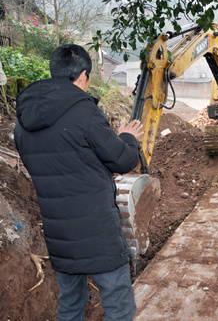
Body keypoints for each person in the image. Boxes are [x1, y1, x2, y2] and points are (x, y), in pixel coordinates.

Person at [14, 44, 143, 321]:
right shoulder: (83, 111)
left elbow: (50, 165)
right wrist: (127, 137)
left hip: (60, 237)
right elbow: (122, 161)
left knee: (71, 305)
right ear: (83, 75)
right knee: (119, 306)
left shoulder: (23, 123)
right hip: (98, 234)